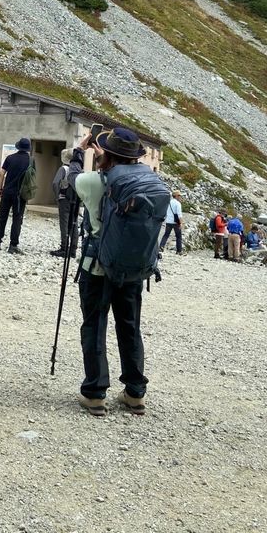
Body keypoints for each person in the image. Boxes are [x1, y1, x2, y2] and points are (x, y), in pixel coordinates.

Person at [70, 127, 150, 417]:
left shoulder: (92, 182)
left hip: (97, 267)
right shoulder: (145, 183)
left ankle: (95, 393)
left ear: (107, 155)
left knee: (94, 325)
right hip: (132, 269)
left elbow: (70, 179)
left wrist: (81, 152)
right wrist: (107, 157)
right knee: (129, 326)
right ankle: (135, 393)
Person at [0, 137, 32, 255]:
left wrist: (0, 188)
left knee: (2, 216)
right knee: (17, 218)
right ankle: (13, 245)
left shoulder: (10, 158)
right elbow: (31, 178)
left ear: (18, 146)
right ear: (28, 148)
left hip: (7, 191)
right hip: (20, 194)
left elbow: (1, 173)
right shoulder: (30, 161)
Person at [50, 148, 78, 258]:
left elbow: (55, 183)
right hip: (75, 199)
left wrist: (58, 196)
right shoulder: (78, 169)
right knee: (74, 224)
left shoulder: (64, 169)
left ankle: (64, 248)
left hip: (65, 198)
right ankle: (73, 250)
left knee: (64, 223)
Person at [159, 190, 183, 256]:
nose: (180, 197)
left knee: (166, 234)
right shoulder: (178, 203)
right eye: (179, 195)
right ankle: (179, 251)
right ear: (177, 196)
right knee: (178, 236)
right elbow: (179, 214)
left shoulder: (169, 202)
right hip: (176, 222)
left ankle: (161, 246)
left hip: (168, 221)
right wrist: (181, 223)